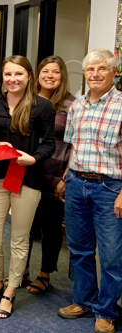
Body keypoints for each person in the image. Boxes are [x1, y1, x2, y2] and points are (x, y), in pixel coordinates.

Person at [0, 55, 55, 319]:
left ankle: (10, 290)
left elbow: (50, 143)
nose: (13, 79)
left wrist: (33, 158)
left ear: (29, 77)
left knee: (20, 239)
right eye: (8, 74)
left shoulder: (41, 106)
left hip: (28, 178)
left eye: (18, 74)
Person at [57, 49, 122, 333]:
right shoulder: (76, 106)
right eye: (90, 69)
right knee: (79, 250)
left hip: (110, 187)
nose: (95, 74)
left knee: (110, 255)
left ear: (113, 72)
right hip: (75, 183)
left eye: (101, 69)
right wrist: (64, 178)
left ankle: (106, 311)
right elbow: (72, 146)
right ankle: (84, 301)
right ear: (84, 73)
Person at [23, 56, 75, 294]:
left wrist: (65, 177)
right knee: (25, 225)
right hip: (28, 170)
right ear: (38, 74)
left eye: (55, 71)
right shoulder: (27, 101)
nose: (50, 76)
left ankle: (45, 274)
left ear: (62, 76)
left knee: (51, 225)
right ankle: (21, 269)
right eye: (45, 71)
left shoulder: (71, 105)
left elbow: (75, 144)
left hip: (55, 172)